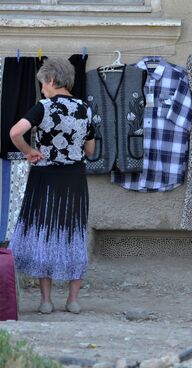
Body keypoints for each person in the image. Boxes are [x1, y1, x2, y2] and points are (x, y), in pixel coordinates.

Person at [8, 57, 96, 315]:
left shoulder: (43, 107)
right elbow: (90, 150)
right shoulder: (85, 108)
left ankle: (46, 302)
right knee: (73, 233)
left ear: (50, 80)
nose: (42, 90)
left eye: (42, 84)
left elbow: (15, 132)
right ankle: (73, 300)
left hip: (45, 178)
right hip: (75, 179)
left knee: (46, 235)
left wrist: (28, 151)